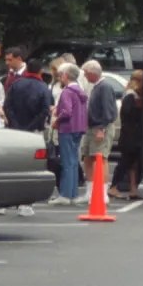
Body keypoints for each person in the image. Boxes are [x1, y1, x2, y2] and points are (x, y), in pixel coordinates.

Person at [4, 57, 54, 217]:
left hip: (14, 130)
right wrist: (31, 126)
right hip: (33, 132)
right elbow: (45, 110)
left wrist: (15, 124)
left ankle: (3, 204)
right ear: (40, 71)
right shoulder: (43, 87)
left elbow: (7, 106)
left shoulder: (16, 84)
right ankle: (25, 204)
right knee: (30, 168)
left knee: (11, 166)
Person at [78, 59, 118, 205]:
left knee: (100, 159)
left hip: (100, 127)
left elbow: (108, 109)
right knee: (88, 158)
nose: (85, 76)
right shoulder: (96, 86)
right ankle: (90, 192)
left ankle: (102, 193)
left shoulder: (104, 87)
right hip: (91, 127)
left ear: (92, 73)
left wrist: (102, 128)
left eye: (86, 73)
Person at [51, 62, 87, 205]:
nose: (60, 77)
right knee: (73, 161)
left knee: (67, 161)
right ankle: (72, 193)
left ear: (66, 75)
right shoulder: (80, 91)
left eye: (61, 75)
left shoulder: (67, 92)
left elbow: (66, 112)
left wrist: (57, 120)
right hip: (79, 128)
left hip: (67, 129)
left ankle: (65, 194)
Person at [110, 69, 143, 199]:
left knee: (133, 164)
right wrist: (139, 108)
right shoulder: (131, 96)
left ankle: (133, 189)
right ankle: (113, 187)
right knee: (125, 162)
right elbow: (128, 113)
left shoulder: (133, 95)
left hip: (131, 135)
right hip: (130, 136)